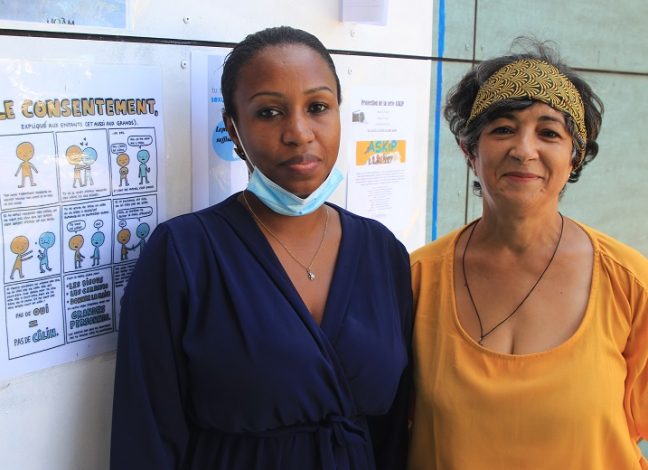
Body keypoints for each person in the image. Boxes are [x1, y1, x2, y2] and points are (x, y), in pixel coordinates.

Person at [111, 26, 412, 470]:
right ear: (233, 130)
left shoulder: (382, 252)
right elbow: (146, 436)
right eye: (269, 112)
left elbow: (393, 434)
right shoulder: (184, 254)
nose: (299, 133)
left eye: (318, 107)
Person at [408, 41, 648, 469]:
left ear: (575, 156)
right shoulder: (417, 278)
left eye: (549, 133)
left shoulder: (629, 282)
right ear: (470, 151)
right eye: (503, 129)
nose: (523, 149)